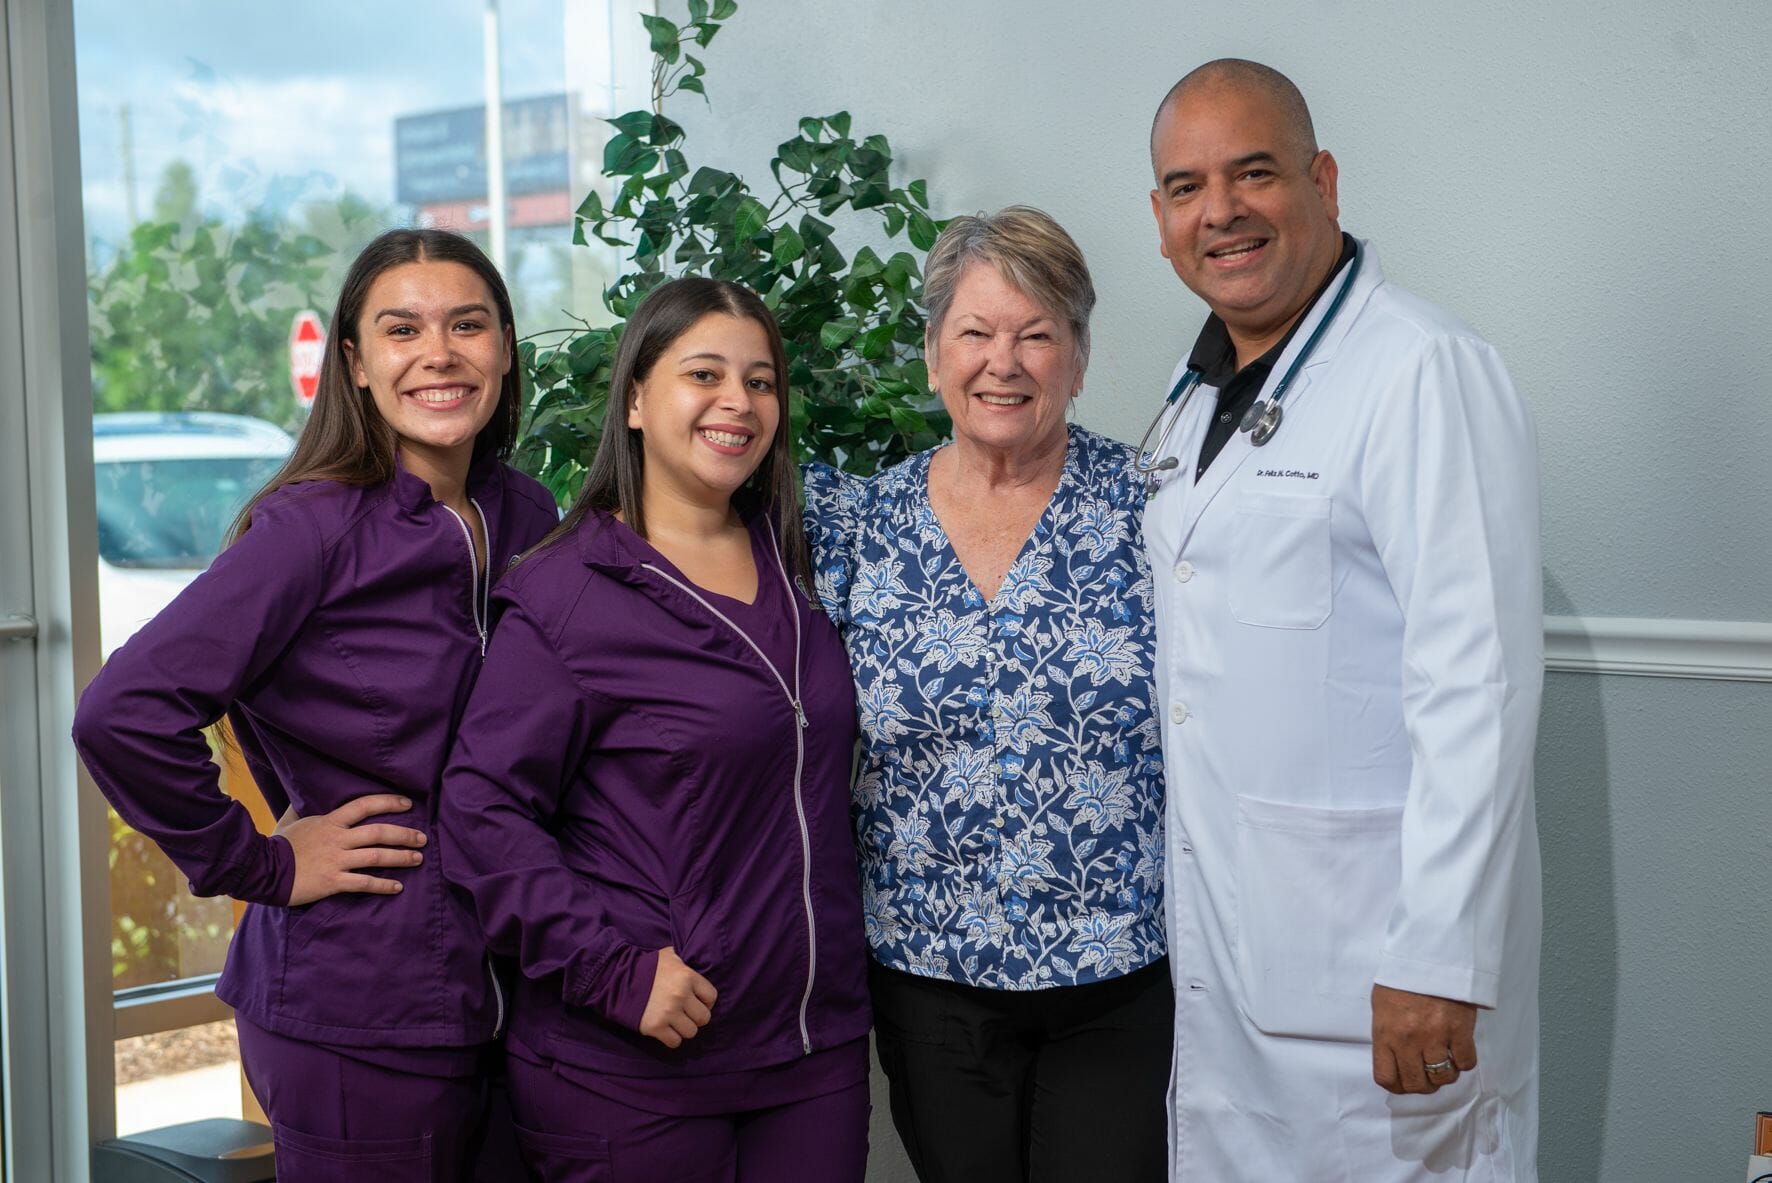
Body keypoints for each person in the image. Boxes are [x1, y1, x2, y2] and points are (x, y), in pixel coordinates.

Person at [71, 228, 559, 1178]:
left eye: (468, 324)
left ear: (505, 347)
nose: (439, 353)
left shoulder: (526, 513)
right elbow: (121, 711)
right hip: (357, 1000)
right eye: (401, 328)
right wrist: (259, 861)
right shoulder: (311, 527)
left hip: (516, 983)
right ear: (357, 363)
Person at [1140, 60, 1543, 1180]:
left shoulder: (1420, 370)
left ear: (1319, 179)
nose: (1217, 210)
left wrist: (1440, 954)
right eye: (1183, 187)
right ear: (1161, 224)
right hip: (1229, 961)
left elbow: (1480, 679)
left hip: (1381, 970)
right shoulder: (1188, 402)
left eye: (1251, 172)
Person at [436, 277, 872, 1182]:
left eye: (760, 381)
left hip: (809, 1053)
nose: (737, 403)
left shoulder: (796, 557)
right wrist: (614, 970)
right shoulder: (569, 592)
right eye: (703, 373)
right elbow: (481, 814)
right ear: (635, 397)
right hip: (634, 1070)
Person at [803, 206, 1171, 1183]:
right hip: (927, 981)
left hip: (1119, 977)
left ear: (1079, 357)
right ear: (932, 354)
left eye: (1036, 333)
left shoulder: (1156, 510)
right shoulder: (856, 525)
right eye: (973, 332)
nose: (1001, 361)